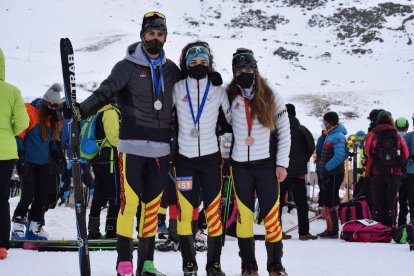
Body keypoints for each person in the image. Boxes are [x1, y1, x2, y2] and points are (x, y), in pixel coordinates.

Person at [62, 11, 180, 276]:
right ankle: (124, 261)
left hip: (161, 151)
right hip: (131, 148)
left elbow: (189, 97)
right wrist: (80, 110)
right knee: (129, 204)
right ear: (142, 36)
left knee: (151, 208)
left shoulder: (171, 69)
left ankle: (146, 263)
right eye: (151, 34)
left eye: (161, 35)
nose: (156, 39)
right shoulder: (126, 66)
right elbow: (105, 93)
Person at [227, 48, 290, 276]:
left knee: (271, 217)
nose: (245, 72)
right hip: (240, 166)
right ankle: (248, 266)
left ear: (256, 70)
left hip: (266, 165)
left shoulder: (272, 96)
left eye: (249, 68)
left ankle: (275, 265)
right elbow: (223, 128)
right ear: (234, 72)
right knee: (244, 219)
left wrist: (282, 164)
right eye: (240, 69)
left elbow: (285, 133)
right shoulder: (229, 95)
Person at [172, 41, 231, 275]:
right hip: (184, 160)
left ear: (209, 64)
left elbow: (229, 120)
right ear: (186, 65)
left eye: (203, 62)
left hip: (210, 160)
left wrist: (224, 134)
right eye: (193, 62)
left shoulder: (217, 89)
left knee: (213, 211)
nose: (198, 66)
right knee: (186, 213)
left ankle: (214, 264)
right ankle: (189, 261)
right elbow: (163, 116)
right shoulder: (177, 87)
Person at [12, 84, 64, 241]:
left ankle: (34, 226)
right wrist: (20, 157)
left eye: (56, 107)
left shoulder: (51, 119)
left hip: (43, 163)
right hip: (28, 161)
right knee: (28, 194)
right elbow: (18, 136)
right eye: (52, 106)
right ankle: (18, 226)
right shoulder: (30, 113)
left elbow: (53, 142)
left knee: (41, 196)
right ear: (45, 103)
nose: (54, 110)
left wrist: (58, 155)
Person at [0, 48, 30, 259]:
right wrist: (7, 131)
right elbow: (23, 122)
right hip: (5, 150)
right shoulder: (12, 91)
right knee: (1, 198)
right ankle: (1, 245)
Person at [279, 103, 317, 241]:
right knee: (301, 204)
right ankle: (304, 233)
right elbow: (311, 147)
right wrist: (303, 160)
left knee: (277, 204)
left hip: (280, 173)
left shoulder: (277, 129)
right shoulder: (302, 130)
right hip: (298, 174)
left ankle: (277, 232)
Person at [365, 111, 409, 227]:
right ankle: (391, 227)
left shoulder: (374, 135)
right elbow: (405, 154)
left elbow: (368, 153)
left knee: (377, 203)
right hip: (394, 174)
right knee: (391, 202)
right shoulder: (397, 136)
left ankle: (377, 228)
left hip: (377, 173)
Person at [87, 103, 121, 239]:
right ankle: (111, 230)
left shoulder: (98, 111)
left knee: (99, 195)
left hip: (98, 159)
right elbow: (114, 138)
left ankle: (93, 230)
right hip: (110, 160)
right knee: (115, 196)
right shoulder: (110, 112)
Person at [318, 111, 348, 238]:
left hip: (334, 173)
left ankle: (333, 229)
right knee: (326, 200)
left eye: (325, 122)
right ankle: (330, 227)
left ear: (330, 123)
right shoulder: (330, 134)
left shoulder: (338, 136)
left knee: (331, 200)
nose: (323, 124)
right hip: (328, 173)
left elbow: (340, 155)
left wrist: (326, 168)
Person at [394, 117, 410, 226]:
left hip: (397, 174)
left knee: (401, 201)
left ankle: (400, 224)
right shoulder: (409, 137)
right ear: (407, 127)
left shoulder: (394, 138)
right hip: (411, 174)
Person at [403, 114, 414, 225]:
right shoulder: (409, 136)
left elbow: (404, 155)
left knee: (412, 199)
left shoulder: (409, 137)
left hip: (411, 171)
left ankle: (412, 221)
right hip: (411, 171)